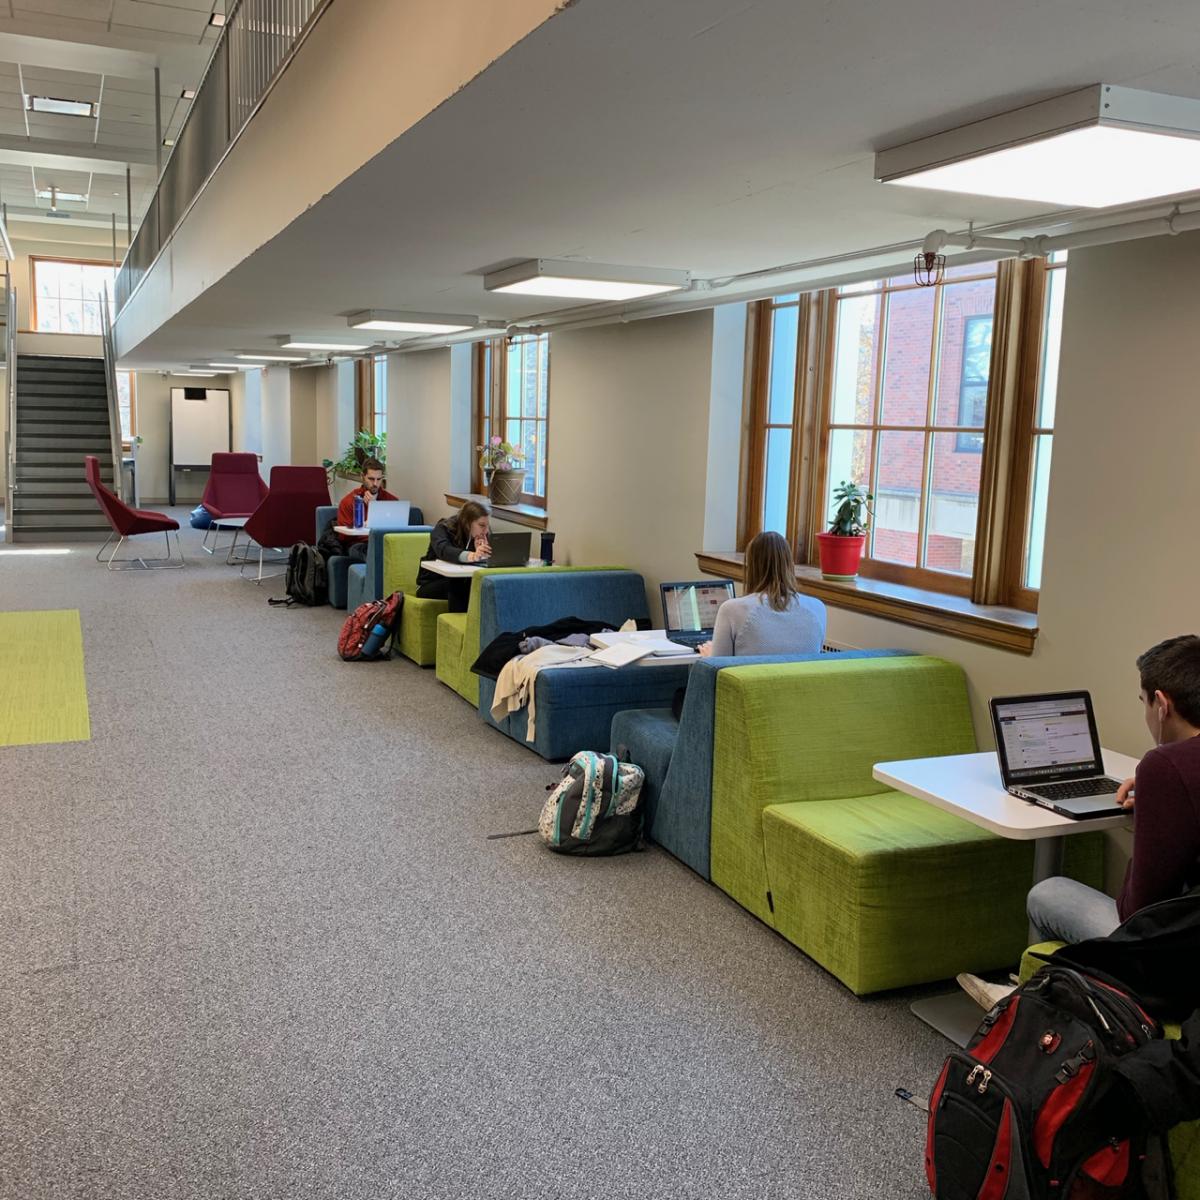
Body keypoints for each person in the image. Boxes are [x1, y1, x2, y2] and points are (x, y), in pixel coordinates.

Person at [959, 634, 1200, 1010]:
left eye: (1144, 703)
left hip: (1175, 956)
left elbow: (1138, 910)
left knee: (1047, 893)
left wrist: (1155, 805)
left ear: (1162, 705)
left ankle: (1025, 1007)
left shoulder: (1166, 767)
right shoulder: (1172, 771)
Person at [698, 531, 826, 657]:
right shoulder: (818, 608)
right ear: (789, 564)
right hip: (798, 678)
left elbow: (718, 667)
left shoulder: (732, 609)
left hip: (749, 678)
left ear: (751, 567)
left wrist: (709, 657)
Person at [415, 500, 492, 614]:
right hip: (431, 583)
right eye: (481, 525)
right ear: (467, 522)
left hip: (463, 581)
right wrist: (472, 555)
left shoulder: (482, 533)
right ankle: (459, 626)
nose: (485, 531)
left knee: (483, 584)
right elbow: (445, 551)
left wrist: (482, 553)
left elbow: (484, 559)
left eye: (487, 526)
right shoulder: (443, 528)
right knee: (459, 583)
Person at [335, 458, 398, 562]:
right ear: (362, 477)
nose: (375, 484)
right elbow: (344, 537)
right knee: (367, 551)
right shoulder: (348, 501)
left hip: (385, 542)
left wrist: (375, 507)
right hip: (359, 544)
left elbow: (398, 529)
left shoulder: (392, 501)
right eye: (371, 479)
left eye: (379, 479)